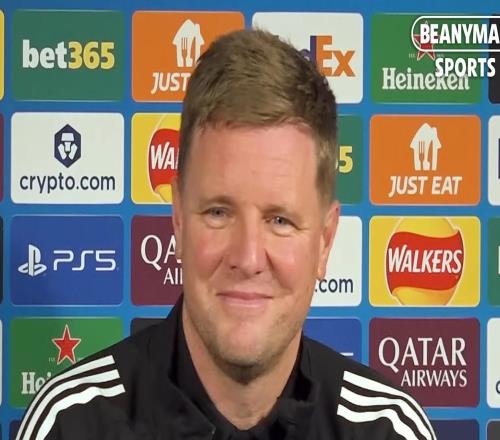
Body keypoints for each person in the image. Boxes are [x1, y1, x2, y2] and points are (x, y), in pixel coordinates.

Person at [16, 29, 436, 440]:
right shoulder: (70, 424)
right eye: (218, 213)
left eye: (280, 221)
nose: (248, 258)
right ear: (178, 221)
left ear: (325, 241)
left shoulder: (388, 430)